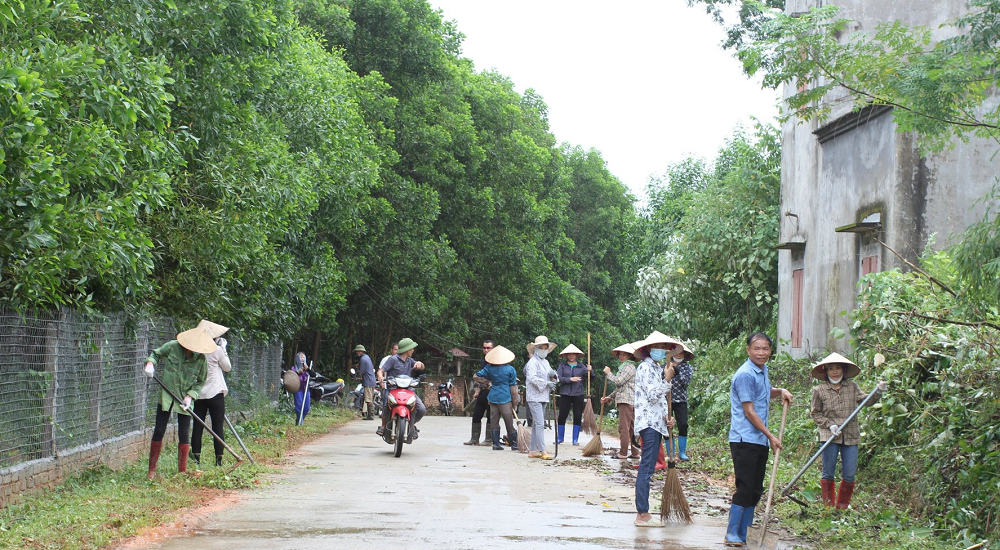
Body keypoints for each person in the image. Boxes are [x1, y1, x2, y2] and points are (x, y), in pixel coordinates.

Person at [724, 332, 793, 547]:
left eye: (765, 349)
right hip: (745, 439)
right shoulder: (745, 374)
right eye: (757, 348)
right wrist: (771, 436)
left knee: (755, 488)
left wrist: (780, 390)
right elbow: (749, 412)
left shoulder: (762, 371)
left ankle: (746, 531)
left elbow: (763, 392)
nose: (761, 353)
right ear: (748, 350)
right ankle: (732, 532)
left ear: (770, 351)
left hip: (759, 440)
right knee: (745, 487)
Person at [810, 352, 886, 509]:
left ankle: (842, 508)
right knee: (828, 473)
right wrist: (830, 425)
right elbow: (815, 413)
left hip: (850, 434)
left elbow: (867, 401)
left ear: (843, 370)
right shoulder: (819, 390)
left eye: (838, 368)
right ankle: (828, 508)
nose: (835, 371)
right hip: (829, 435)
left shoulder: (852, 387)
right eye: (831, 369)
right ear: (826, 371)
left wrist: (878, 391)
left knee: (849, 475)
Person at [142, 320, 214, 480]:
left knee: (184, 433)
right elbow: (156, 353)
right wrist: (150, 364)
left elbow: (200, 381)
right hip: (167, 395)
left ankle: (181, 473)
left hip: (185, 399)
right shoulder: (173, 346)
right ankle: (151, 472)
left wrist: (190, 396)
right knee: (159, 430)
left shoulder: (201, 360)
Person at [632, 332, 680, 527]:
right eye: (658, 346)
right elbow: (652, 395)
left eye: (664, 346)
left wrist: (667, 418)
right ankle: (642, 514)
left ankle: (643, 512)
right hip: (648, 425)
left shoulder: (656, 368)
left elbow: (657, 401)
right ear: (649, 349)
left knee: (649, 467)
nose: (662, 350)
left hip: (656, 423)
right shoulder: (645, 368)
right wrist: (667, 380)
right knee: (646, 468)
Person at [191, 321, 232, 467]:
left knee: (197, 426)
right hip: (215, 393)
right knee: (217, 427)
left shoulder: (195, 351)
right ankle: (218, 461)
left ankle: (196, 460)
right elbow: (227, 367)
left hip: (199, 394)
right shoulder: (216, 350)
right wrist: (223, 348)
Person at [473, 345, 521, 451]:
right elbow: (513, 388)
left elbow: (476, 376)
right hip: (505, 397)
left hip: (493, 397)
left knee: (494, 421)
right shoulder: (510, 369)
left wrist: (487, 383)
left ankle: (495, 444)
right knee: (509, 422)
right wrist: (515, 402)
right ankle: (514, 444)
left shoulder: (489, 368)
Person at [377, 338, 426, 437]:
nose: (413, 350)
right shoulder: (393, 359)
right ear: (407, 349)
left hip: (408, 390)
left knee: (421, 409)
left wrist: (420, 364)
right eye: (412, 348)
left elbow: (422, 366)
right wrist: (380, 376)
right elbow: (380, 370)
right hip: (393, 389)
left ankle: (412, 425)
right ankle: (383, 426)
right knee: (385, 405)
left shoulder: (409, 360)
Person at [603, 342, 639, 459]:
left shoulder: (629, 367)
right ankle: (635, 453)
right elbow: (621, 387)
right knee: (631, 428)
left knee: (624, 428)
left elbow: (618, 381)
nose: (622, 357)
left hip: (627, 401)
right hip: (629, 400)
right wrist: (610, 397)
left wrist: (609, 374)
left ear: (630, 356)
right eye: (620, 354)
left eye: (625, 354)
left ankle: (623, 453)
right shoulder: (626, 367)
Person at [524, 336, 557, 459]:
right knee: (539, 423)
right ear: (536, 349)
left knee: (536, 424)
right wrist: (545, 382)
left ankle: (533, 450)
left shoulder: (546, 362)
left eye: (545, 348)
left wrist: (553, 376)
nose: (543, 350)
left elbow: (550, 375)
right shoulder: (532, 362)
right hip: (534, 396)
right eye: (541, 348)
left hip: (543, 396)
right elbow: (531, 377)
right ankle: (542, 450)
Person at [555, 344, 592, 445]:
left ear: (576, 355)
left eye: (573, 354)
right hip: (565, 393)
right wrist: (570, 379)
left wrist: (590, 370)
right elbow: (558, 378)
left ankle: (575, 440)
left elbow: (592, 378)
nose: (571, 356)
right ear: (566, 355)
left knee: (577, 415)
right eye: (569, 354)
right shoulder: (562, 366)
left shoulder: (582, 367)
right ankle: (560, 438)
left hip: (578, 393)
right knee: (562, 415)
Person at [464, 340, 496, 446]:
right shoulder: (484, 361)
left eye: (488, 348)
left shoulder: (497, 361)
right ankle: (474, 438)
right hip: (483, 390)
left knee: (490, 416)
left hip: (492, 391)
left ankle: (489, 439)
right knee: (477, 414)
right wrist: (478, 390)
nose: (486, 350)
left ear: (493, 349)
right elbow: (481, 378)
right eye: (484, 348)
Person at [670, 341, 695, 461]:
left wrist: (678, 372)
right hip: (667, 399)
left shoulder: (687, 367)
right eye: (677, 353)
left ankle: (682, 452)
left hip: (681, 400)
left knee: (683, 424)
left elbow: (686, 383)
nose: (679, 356)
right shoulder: (666, 365)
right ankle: (671, 452)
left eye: (681, 354)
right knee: (668, 426)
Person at [354, 345, 377, 420]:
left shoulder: (363, 359)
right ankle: (370, 414)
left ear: (361, 351)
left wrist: (358, 372)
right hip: (372, 380)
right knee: (370, 398)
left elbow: (362, 371)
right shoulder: (366, 357)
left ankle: (371, 415)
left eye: (358, 351)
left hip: (368, 381)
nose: (357, 353)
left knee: (368, 399)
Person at [291, 351, 311, 425]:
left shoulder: (307, 367)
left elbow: (313, 374)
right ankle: (300, 423)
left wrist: (308, 369)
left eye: (303, 357)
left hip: (306, 389)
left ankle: (299, 420)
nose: (302, 359)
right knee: (299, 406)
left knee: (306, 408)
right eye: (300, 357)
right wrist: (297, 372)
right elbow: (291, 376)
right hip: (298, 389)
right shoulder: (294, 368)